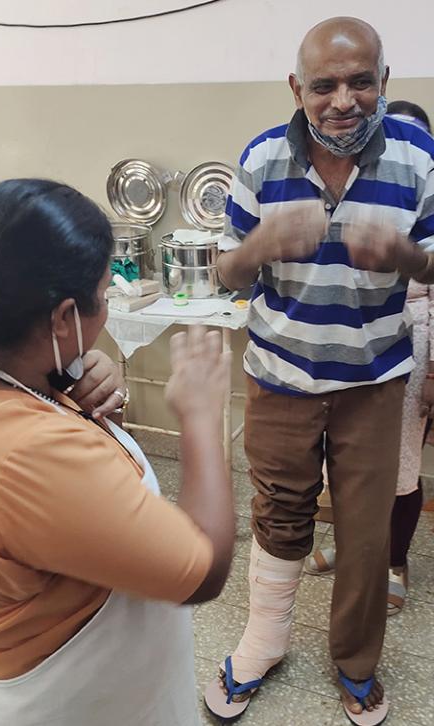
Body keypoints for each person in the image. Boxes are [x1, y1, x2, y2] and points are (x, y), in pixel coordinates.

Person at [204, 17, 434, 726]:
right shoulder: (263, 157)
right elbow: (224, 273)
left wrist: (406, 257)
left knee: (365, 533)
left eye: (361, 82)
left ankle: (356, 665)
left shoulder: (419, 157)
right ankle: (263, 642)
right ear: (297, 87)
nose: (344, 101)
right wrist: (260, 247)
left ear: (384, 84)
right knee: (279, 515)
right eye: (325, 85)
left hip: (372, 381)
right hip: (280, 376)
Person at [0, 178, 236, 726]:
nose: (106, 307)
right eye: (105, 295)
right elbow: (205, 572)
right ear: (62, 318)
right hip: (69, 702)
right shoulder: (25, 453)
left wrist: (75, 382)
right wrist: (200, 415)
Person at [306, 102, 434, 617]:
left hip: (414, 344)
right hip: (355, 338)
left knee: (397, 466)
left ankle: (394, 561)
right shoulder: (363, 186)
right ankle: (356, 549)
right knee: (352, 463)